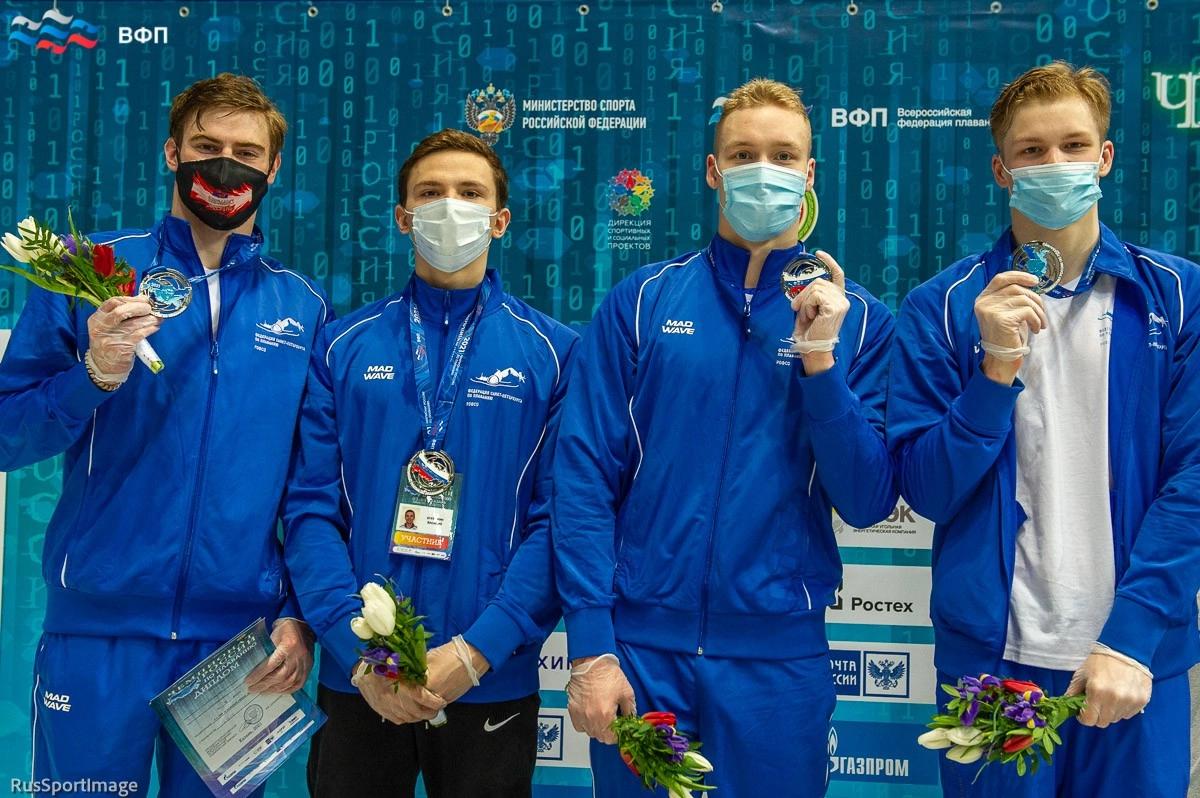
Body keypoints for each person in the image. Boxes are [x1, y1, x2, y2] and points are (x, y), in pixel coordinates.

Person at [551, 78, 897, 796]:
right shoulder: (643, 302)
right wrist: (591, 647)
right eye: (743, 154)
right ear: (714, 171)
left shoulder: (861, 321)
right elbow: (582, 478)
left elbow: (866, 500)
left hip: (778, 669)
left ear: (809, 174)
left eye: (783, 155)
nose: (763, 169)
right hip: (641, 658)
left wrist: (821, 364)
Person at [0, 73, 327, 795]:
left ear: (274, 168)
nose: (226, 165)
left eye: (247, 152)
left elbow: (314, 486)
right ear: (172, 152)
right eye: (206, 146)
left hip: (238, 647)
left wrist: (298, 615)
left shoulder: (303, 306)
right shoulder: (91, 274)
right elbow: (7, 434)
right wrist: (92, 374)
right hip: (99, 632)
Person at [887, 61, 1200, 796]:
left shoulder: (1180, 296)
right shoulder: (941, 307)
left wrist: (1133, 637)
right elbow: (928, 491)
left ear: (1105, 157)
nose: (1055, 163)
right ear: (1002, 170)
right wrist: (994, 371)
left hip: (1132, 664)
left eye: (1073, 145)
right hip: (989, 670)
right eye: (1032, 150)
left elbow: (1193, 478)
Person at [283, 128, 577, 798]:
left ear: (500, 220)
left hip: (488, 678)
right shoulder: (340, 348)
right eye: (431, 193)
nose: (450, 207)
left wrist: (478, 651)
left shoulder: (555, 354)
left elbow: (558, 521)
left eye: (470, 193)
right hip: (361, 679)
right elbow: (310, 512)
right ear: (402, 216)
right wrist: (359, 653)